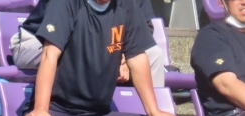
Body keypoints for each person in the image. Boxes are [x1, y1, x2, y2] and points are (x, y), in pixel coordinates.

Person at [20, 0, 180, 116]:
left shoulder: (127, 5)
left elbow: (137, 57)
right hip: (59, 111)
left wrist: (153, 111)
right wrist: (40, 108)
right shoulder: (65, 3)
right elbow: (49, 55)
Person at [11, 0, 165, 87]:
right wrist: (116, 56)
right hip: (34, 43)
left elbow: (144, 29)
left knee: (154, 54)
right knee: (90, 50)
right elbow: (75, 32)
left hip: (97, 44)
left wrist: (124, 55)